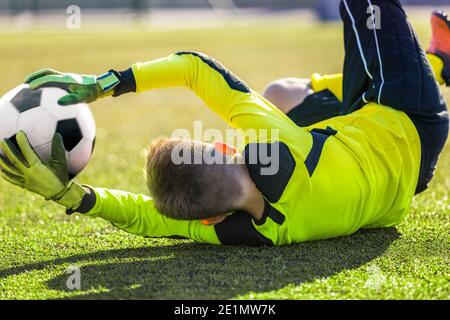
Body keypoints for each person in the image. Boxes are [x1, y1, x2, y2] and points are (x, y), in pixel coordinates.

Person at [0, 2, 448, 246]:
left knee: (281, 95)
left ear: (210, 218)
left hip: (404, 189)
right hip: (408, 117)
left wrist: (70, 195)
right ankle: (436, 61)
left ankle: (437, 63)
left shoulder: (243, 231)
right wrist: (105, 84)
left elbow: (148, 220)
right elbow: (195, 67)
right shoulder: (279, 143)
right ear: (226, 150)